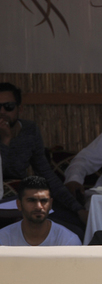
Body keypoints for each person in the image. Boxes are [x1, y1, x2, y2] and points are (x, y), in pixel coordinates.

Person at [0, 82, 88, 239]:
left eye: (8, 106)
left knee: (75, 227)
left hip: (23, 200)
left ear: (19, 109)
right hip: (7, 201)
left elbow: (46, 174)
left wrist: (78, 208)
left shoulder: (29, 130)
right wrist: (5, 141)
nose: (2, 112)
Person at [0, 176, 81, 246]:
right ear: (19, 204)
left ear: (50, 204)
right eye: (31, 200)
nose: (39, 207)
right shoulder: (3, 238)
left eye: (44, 201)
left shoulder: (68, 241)